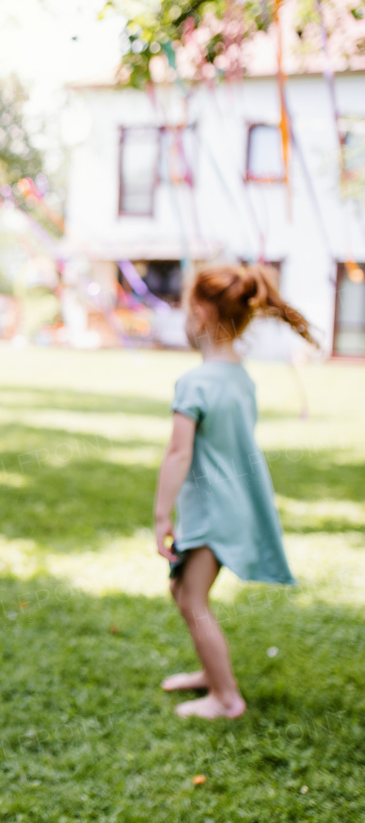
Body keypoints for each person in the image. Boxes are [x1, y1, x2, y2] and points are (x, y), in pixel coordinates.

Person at [153, 264, 317, 719]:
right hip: (233, 505)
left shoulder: (195, 383)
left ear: (200, 316)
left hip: (212, 511)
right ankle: (211, 674)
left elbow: (177, 454)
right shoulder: (239, 377)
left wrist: (161, 516)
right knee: (184, 593)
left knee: (192, 599)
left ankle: (226, 698)